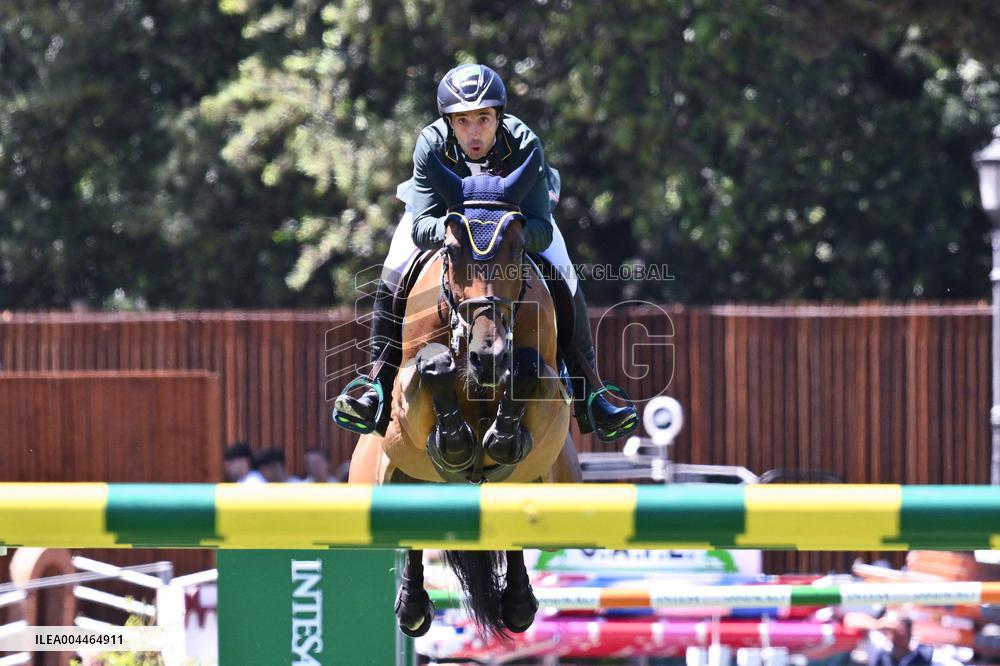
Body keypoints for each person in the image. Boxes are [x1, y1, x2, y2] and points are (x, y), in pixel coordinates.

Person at [333, 63, 638, 442]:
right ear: (448, 122)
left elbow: (541, 227)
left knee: (565, 273)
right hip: (445, 223)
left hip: (513, 227)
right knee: (393, 273)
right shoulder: (431, 144)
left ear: (500, 117)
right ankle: (375, 385)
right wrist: (458, 228)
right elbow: (421, 225)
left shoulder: (525, 144)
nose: (473, 132)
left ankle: (591, 391)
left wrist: (504, 233)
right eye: (462, 121)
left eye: (483, 119)